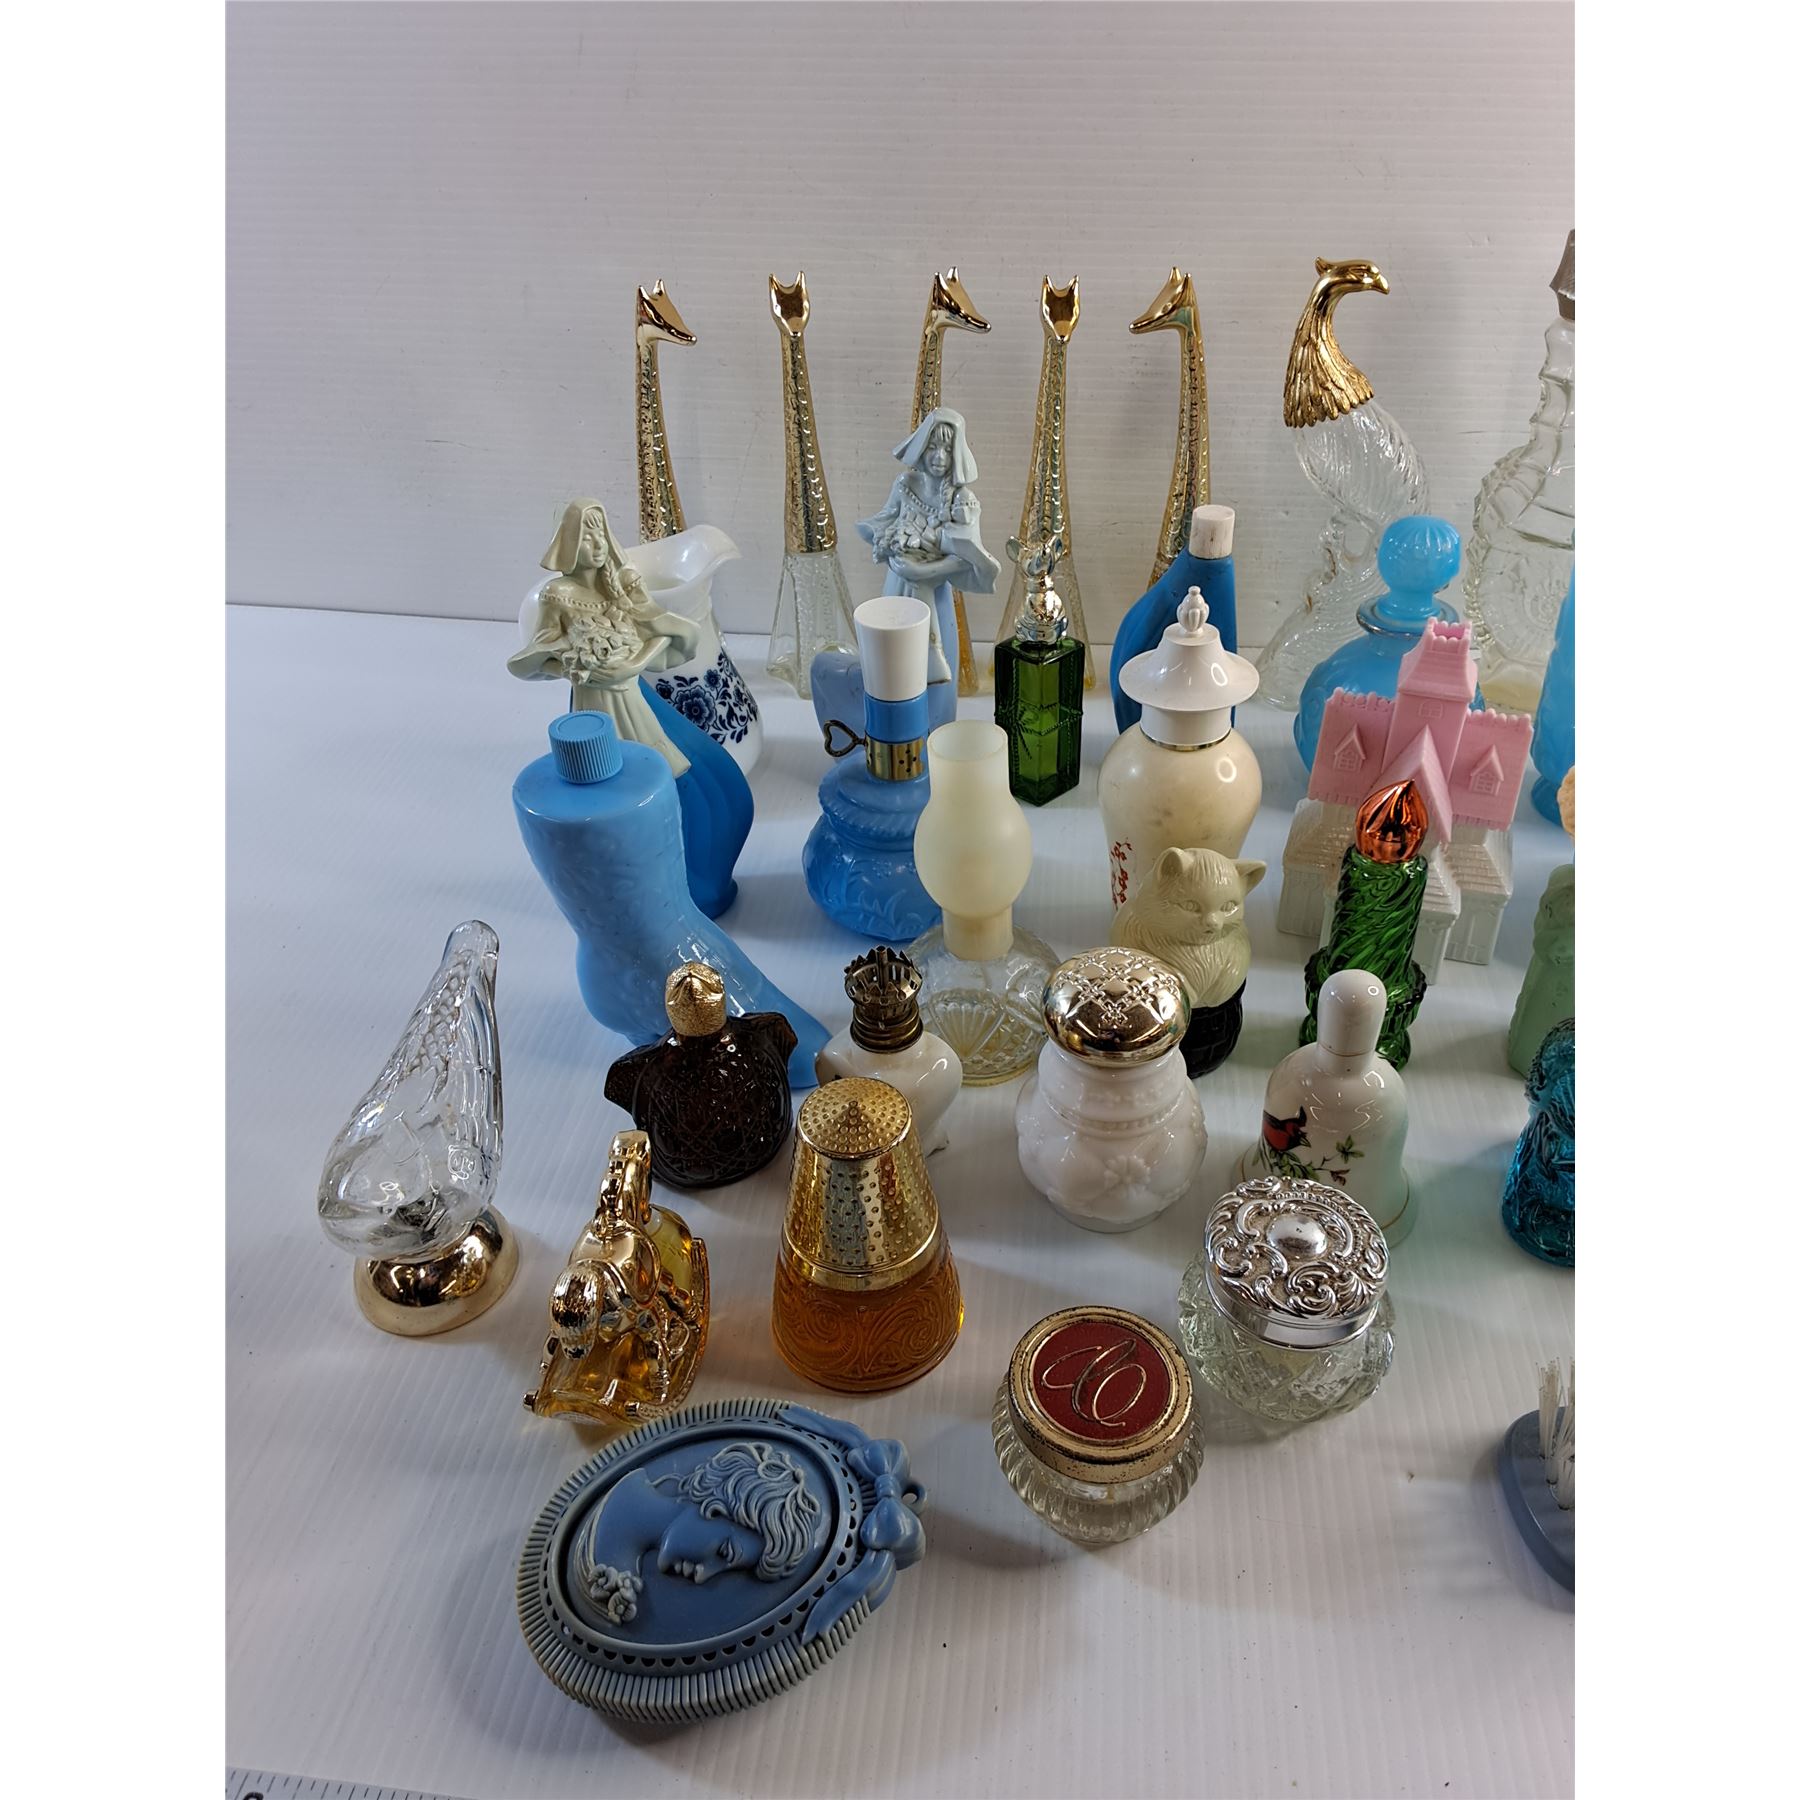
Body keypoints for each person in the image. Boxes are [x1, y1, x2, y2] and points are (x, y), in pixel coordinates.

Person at [510, 498, 702, 775]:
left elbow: (663, 631)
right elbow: (540, 654)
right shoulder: (557, 594)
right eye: (587, 538)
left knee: (654, 765)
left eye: (601, 534)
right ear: (569, 543)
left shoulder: (625, 583)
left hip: (630, 697)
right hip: (589, 702)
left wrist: (632, 665)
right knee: (597, 767)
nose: (599, 544)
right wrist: (572, 670)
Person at [572, 1442, 826, 1625]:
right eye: (723, 1553)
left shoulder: (621, 1582)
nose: (703, 1575)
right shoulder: (606, 1572)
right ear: (714, 1507)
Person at [857, 407, 1001, 687]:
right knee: (891, 670)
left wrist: (922, 571)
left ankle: (934, 674)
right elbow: (881, 523)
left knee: (937, 676)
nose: (939, 457)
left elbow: (967, 557)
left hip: (936, 594)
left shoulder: (962, 499)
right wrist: (892, 549)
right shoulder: (905, 484)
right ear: (921, 448)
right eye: (932, 447)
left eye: (947, 449)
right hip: (897, 584)